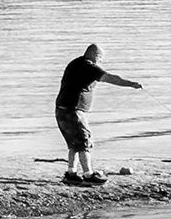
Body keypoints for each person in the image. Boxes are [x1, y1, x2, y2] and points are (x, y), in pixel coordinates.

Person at [56, 44, 141, 184]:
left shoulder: (75, 63)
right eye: (100, 58)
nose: (101, 61)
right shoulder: (88, 66)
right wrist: (131, 84)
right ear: (95, 55)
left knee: (74, 143)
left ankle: (71, 174)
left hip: (61, 109)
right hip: (73, 110)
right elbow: (111, 78)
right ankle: (88, 175)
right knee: (84, 141)